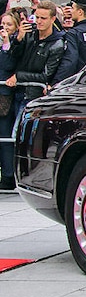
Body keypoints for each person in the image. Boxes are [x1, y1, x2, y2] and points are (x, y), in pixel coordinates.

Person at [0, 11, 22, 190]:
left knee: (6, 136)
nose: (4, 28)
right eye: (2, 24)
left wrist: (6, 43)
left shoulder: (15, 44)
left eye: (9, 25)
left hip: (6, 97)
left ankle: (8, 176)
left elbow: (7, 66)